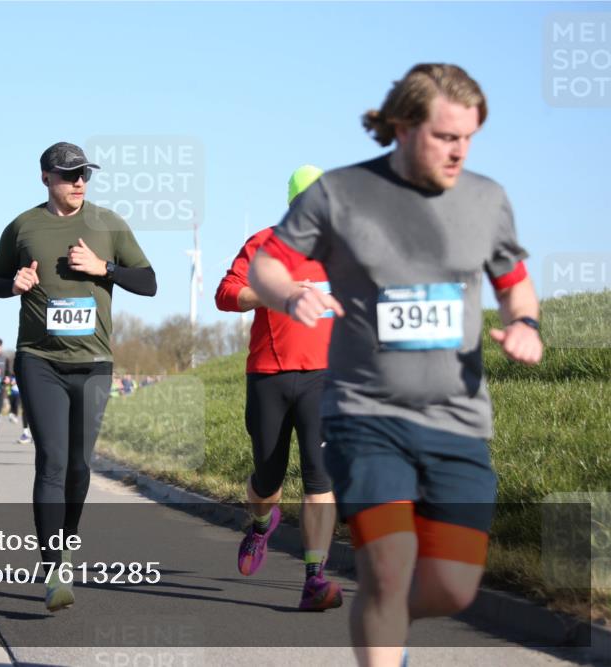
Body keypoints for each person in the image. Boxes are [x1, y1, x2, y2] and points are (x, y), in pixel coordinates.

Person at [248, 64, 543, 665]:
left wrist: (525, 323)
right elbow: (265, 265)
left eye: (469, 137)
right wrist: (289, 294)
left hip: (457, 421)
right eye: (445, 137)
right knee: (385, 568)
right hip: (367, 417)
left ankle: (387, 612)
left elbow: (516, 284)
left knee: (453, 587)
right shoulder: (339, 194)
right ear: (403, 127)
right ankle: (382, 617)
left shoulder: (487, 200)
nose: (459, 151)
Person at [0, 141, 157, 611]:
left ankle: (64, 542)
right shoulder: (23, 226)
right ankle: (54, 569)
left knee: (81, 467)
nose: (79, 181)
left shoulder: (108, 224)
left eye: (84, 173)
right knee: (54, 461)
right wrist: (13, 283)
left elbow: (150, 281)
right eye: (68, 174)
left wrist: (106, 268)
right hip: (40, 359)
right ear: (46, 178)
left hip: (95, 362)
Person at [216, 165, 343, 611]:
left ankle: (315, 577)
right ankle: (260, 525)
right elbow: (225, 294)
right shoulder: (263, 245)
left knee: (318, 477)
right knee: (267, 480)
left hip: (324, 379)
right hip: (269, 375)